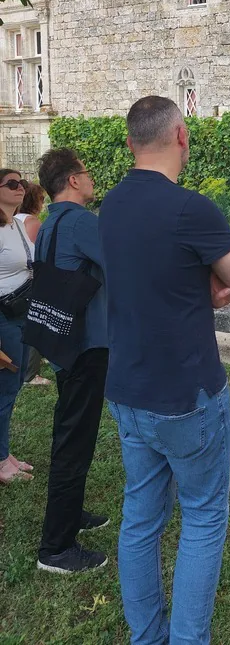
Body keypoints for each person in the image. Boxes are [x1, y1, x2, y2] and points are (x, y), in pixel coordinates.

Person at [99, 96, 230, 645]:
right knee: (203, 517)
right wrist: (217, 284)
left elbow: (148, 278)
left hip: (127, 388)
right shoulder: (192, 209)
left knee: (141, 519)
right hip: (185, 395)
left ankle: (147, 636)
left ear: (129, 143)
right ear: (181, 136)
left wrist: (199, 288)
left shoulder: (110, 206)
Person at [34, 149, 110, 574]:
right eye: (87, 171)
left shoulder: (51, 222)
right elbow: (121, 264)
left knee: (71, 432)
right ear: (74, 180)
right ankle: (56, 548)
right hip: (85, 344)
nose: (91, 178)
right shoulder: (81, 221)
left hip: (63, 341)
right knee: (74, 441)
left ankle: (71, 512)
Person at [0, 170, 34, 485]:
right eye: (12, 184)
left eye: (21, 183)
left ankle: (4, 452)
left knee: (15, 385)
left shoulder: (17, 224)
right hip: (3, 317)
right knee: (5, 388)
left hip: (20, 314)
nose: (19, 187)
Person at [17, 181, 51, 386]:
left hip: (15, 285)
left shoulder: (12, 219)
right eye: (41, 199)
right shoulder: (34, 223)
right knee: (37, 322)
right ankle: (31, 373)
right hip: (32, 280)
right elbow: (43, 253)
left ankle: (36, 358)